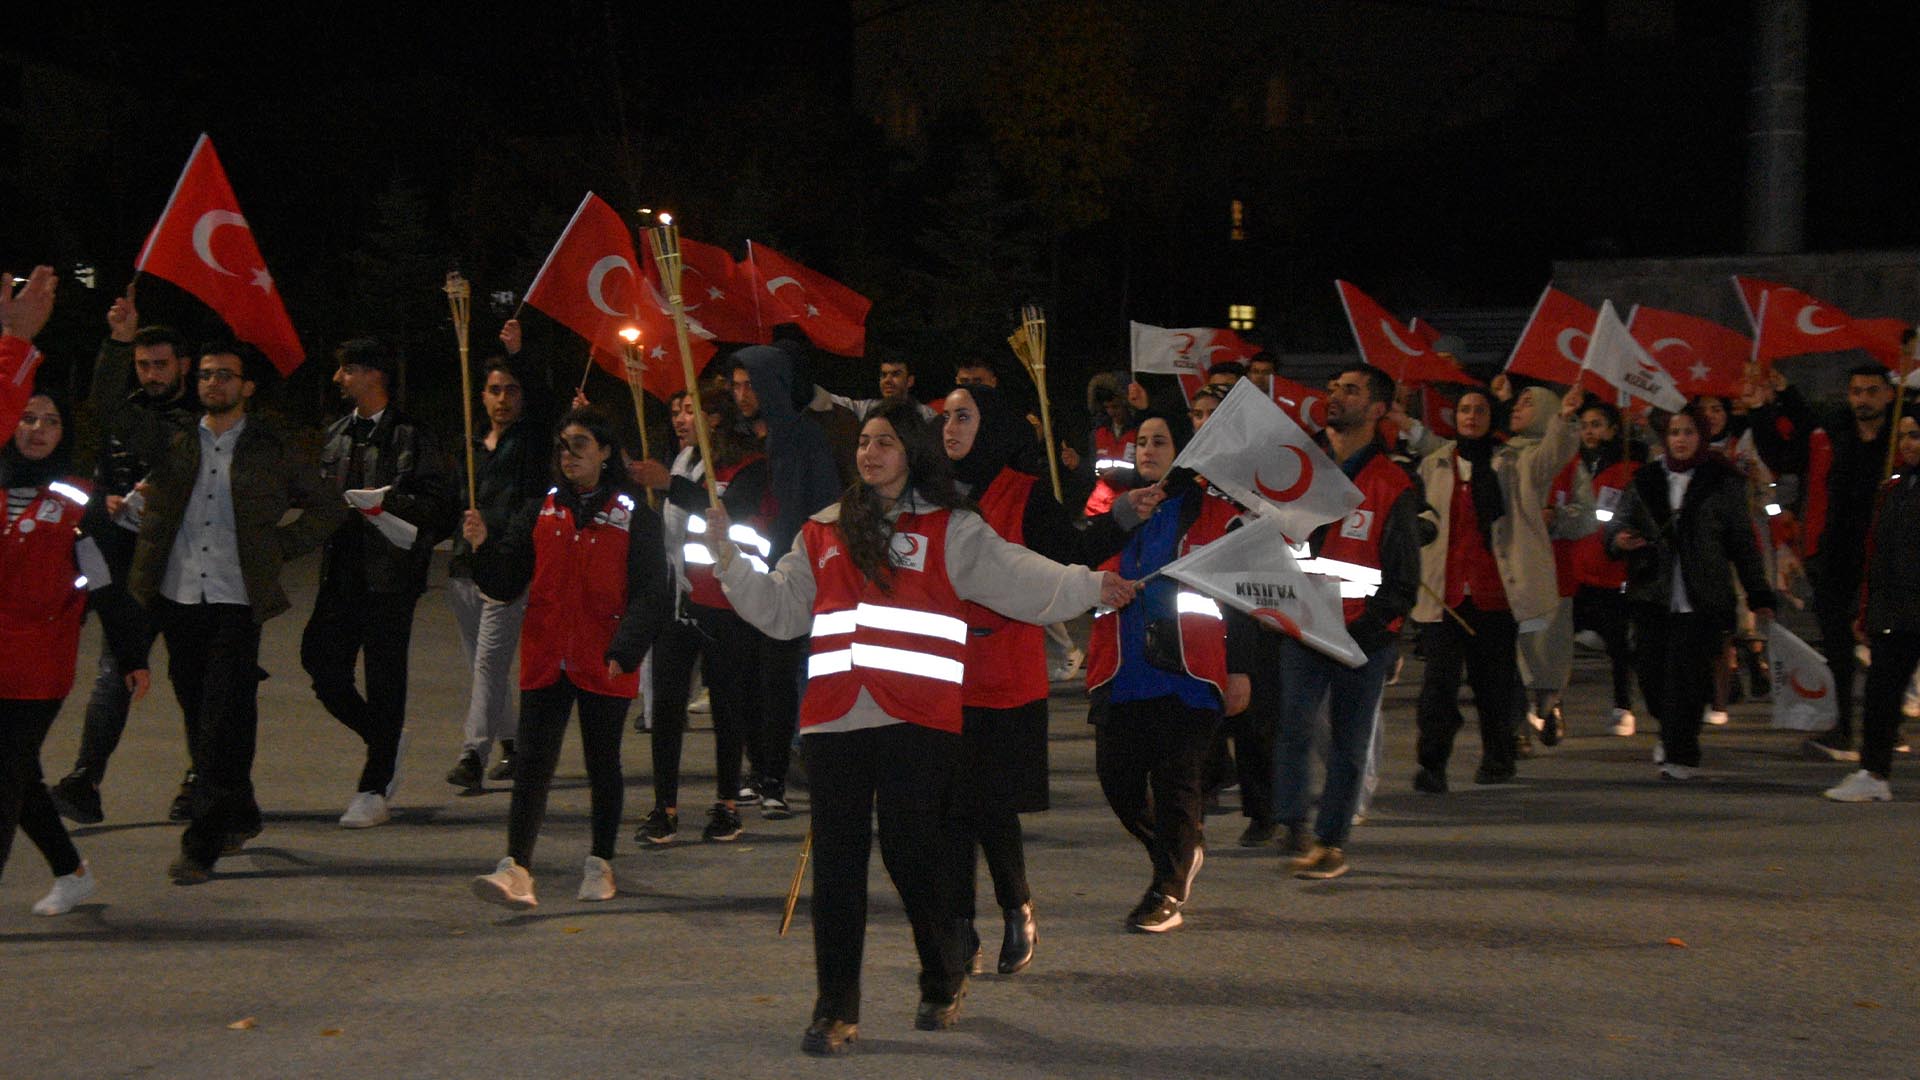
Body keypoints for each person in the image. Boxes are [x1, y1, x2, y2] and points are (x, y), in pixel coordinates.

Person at [703, 401, 1127, 1054]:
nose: (870, 453)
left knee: (911, 856)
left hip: (918, 720)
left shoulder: (951, 527)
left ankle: (941, 973)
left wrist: (1091, 585)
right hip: (834, 720)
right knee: (837, 871)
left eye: (886, 443)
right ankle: (834, 1008)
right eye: (865, 442)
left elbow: (1019, 577)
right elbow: (784, 613)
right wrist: (728, 560)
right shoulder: (821, 529)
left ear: (913, 453)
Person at [131, 343, 348, 884]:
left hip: (235, 600)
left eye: (225, 376)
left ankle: (200, 843)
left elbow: (328, 507)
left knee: (220, 718)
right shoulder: (177, 438)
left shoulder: (271, 447)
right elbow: (116, 412)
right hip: (180, 597)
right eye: (205, 375)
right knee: (199, 713)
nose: (213, 384)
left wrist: (279, 546)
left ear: (247, 387)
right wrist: (119, 345)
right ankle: (241, 808)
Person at [939, 384, 1132, 975]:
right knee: (947, 810)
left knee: (990, 808)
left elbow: (1073, 554)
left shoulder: (1023, 495)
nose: (949, 427)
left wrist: (1122, 515)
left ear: (990, 424)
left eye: (963, 416)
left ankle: (1016, 906)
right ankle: (958, 929)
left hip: (1003, 677)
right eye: (945, 416)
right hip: (938, 678)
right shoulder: (927, 494)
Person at [467, 405, 669, 907]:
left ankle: (601, 861)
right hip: (547, 656)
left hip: (604, 658)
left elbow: (651, 592)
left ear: (605, 452)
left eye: (580, 443)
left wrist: (625, 649)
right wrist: (482, 547)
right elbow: (505, 583)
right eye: (563, 445)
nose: (569, 454)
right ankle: (516, 866)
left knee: (604, 763)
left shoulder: (634, 515)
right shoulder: (540, 509)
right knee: (533, 763)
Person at [1080, 409, 1253, 932]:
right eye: (1141, 443)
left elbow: (1245, 594)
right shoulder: (1112, 506)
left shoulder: (1213, 511)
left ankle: (1167, 891)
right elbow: (1078, 558)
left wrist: (1240, 668)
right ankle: (1179, 849)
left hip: (1190, 671)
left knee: (1178, 783)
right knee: (1118, 782)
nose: (1148, 450)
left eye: (1160, 441)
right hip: (1120, 668)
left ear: (1183, 452)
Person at [1, 365, 151, 916]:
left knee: (4, 772)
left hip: (40, 660)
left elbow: (108, 586)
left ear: (66, 433)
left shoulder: (79, 499)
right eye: (28, 416)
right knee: (19, 775)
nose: (37, 429)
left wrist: (132, 654)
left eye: (52, 421)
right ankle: (71, 871)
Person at [50, 288, 198, 825]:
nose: (151, 375)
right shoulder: (124, 413)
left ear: (184, 365)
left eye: (161, 365)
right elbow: (98, 466)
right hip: (127, 563)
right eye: (141, 365)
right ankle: (85, 780)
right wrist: (104, 500)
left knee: (193, 679)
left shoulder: (203, 418)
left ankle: (200, 780)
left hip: (185, 564)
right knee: (116, 670)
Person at [1271, 365, 1423, 880]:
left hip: (1361, 635)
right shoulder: (1298, 469)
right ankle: (1294, 823)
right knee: (1291, 728)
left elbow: (1404, 577)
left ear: (1378, 409)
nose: (1335, 396)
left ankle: (1332, 840)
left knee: (1349, 744)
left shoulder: (1392, 482)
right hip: (1302, 629)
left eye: (1350, 390)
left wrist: (1374, 631)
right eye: (1333, 387)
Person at [302, 337, 456, 828]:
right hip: (342, 571)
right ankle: (383, 736)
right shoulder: (337, 434)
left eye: (347, 370)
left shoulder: (411, 436)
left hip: (390, 575)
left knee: (385, 678)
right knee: (321, 663)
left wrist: (386, 504)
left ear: (373, 375)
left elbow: (438, 503)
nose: (339, 379)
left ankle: (373, 787)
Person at [1411, 384, 1582, 791]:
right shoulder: (1434, 464)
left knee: (1495, 687)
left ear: (1493, 418)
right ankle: (1432, 765)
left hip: (1495, 594)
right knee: (1438, 688)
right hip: (1443, 596)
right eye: (1465, 409)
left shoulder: (1513, 460)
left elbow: (1552, 457)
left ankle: (1498, 758)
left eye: (1481, 410)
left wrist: (1565, 418)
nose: (1472, 416)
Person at [635, 381, 777, 844]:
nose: (679, 420)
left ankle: (727, 804)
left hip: (728, 604)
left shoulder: (750, 467)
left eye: (688, 411)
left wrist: (670, 486)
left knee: (728, 708)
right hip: (680, 600)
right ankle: (664, 808)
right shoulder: (686, 462)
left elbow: (728, 513)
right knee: (667, 706)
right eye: (676, 412)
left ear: (715, 418)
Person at [1607, 405, 1774, 777]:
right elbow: (1618, 521)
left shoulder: (1723, 482)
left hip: (1703, 598)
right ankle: (1670, 730)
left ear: (1701, 437)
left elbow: (1743, 544)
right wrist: (1618, 539)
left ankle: (1681, 753)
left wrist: (1759, 593)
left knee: (1687, 677)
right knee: (1651, 674)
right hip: (1652, 594)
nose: (1681, 439)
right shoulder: (1646, 479)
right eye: (1675, 432)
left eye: (1688, 432)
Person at [729, 344, 841, 816]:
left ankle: (782, 771)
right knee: (760, 676)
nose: (741, 394)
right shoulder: (760, 438)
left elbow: (814, 509)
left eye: (749, 384)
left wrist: (794, 562)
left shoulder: (801, 437)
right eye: (735, 386)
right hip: (768, 570)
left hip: (799, 573)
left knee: (786, 675)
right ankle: (764, 769)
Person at [444, 355, 552, 791]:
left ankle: (473, 753)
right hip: (463, 565)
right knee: (482, 666)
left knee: (490, 661)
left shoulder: (532, 444)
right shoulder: (469, 444)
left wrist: (498, 540)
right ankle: (513, 743)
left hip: (505, 567)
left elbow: (531, 506)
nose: (502, 399)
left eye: (510, 390)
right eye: (494, 390)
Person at [1792, 365, 1894, 763]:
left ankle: (1883, 731)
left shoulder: (1900, 440)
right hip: (1837, 555)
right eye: (1856, 391)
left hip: (1886, 557)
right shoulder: (1838, 436)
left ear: (1889, 394)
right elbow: (1791, 442)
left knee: (1888, 650)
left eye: (1871, 391)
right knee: (1838, 647)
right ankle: (1844, 728)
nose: (1863, 399)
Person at [1825, 410, 1920, 801]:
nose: (1907, 444)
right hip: (1897, 612)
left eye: (1916, 435)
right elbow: (1877, 556)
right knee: (1881, 694)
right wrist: (1867, 610)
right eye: (1903, 436)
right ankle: (1873, 772)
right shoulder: (1895, 488)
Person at [1568, 401, 1643, 735]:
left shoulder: (1629, 468)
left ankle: (1623, 707)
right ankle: (1547, 703)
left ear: (1613, 430)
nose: (1589, 431)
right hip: (1574, 567)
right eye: (1584, 424)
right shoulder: (1571, 465)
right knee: (1553, 640)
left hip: (1611, 570)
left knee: (1617, 645)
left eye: (1597, 424)